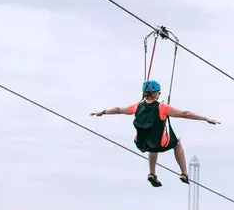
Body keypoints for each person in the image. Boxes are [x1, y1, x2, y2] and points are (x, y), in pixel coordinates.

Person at [91, 80, 220, 187]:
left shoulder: (137, 106)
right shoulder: (162, 107)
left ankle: (152, 173)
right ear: (154, 93)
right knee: (177, 143)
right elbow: (184, 114)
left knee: (152, 144)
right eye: (159, 92)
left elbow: (118, 109)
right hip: (159, 143)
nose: (159, 94)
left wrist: (102, 112)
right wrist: (205, 118)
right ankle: (184, 173)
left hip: (141, 143)